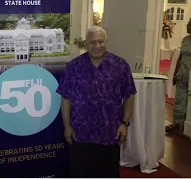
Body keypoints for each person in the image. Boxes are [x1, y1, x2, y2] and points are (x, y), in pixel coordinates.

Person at [57, 26, 136, 178]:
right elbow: (66, 97)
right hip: (81, 134)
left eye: (101, 41)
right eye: (92, 42)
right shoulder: (74, 67)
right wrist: (67, 126)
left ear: (107, 41)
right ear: (85, 44)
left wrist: (124, 123)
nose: (97, 46)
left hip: (110, 134)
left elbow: (129, 95)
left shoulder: (120, 66)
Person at [166, 16, 191, 133]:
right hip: (182, 74)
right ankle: (177, 123)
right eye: (188, 24)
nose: (188, 26)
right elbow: (180, 58)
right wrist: (175, 74)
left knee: (190, 101)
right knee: (179, 100)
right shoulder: (185, 39)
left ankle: (187, 126)